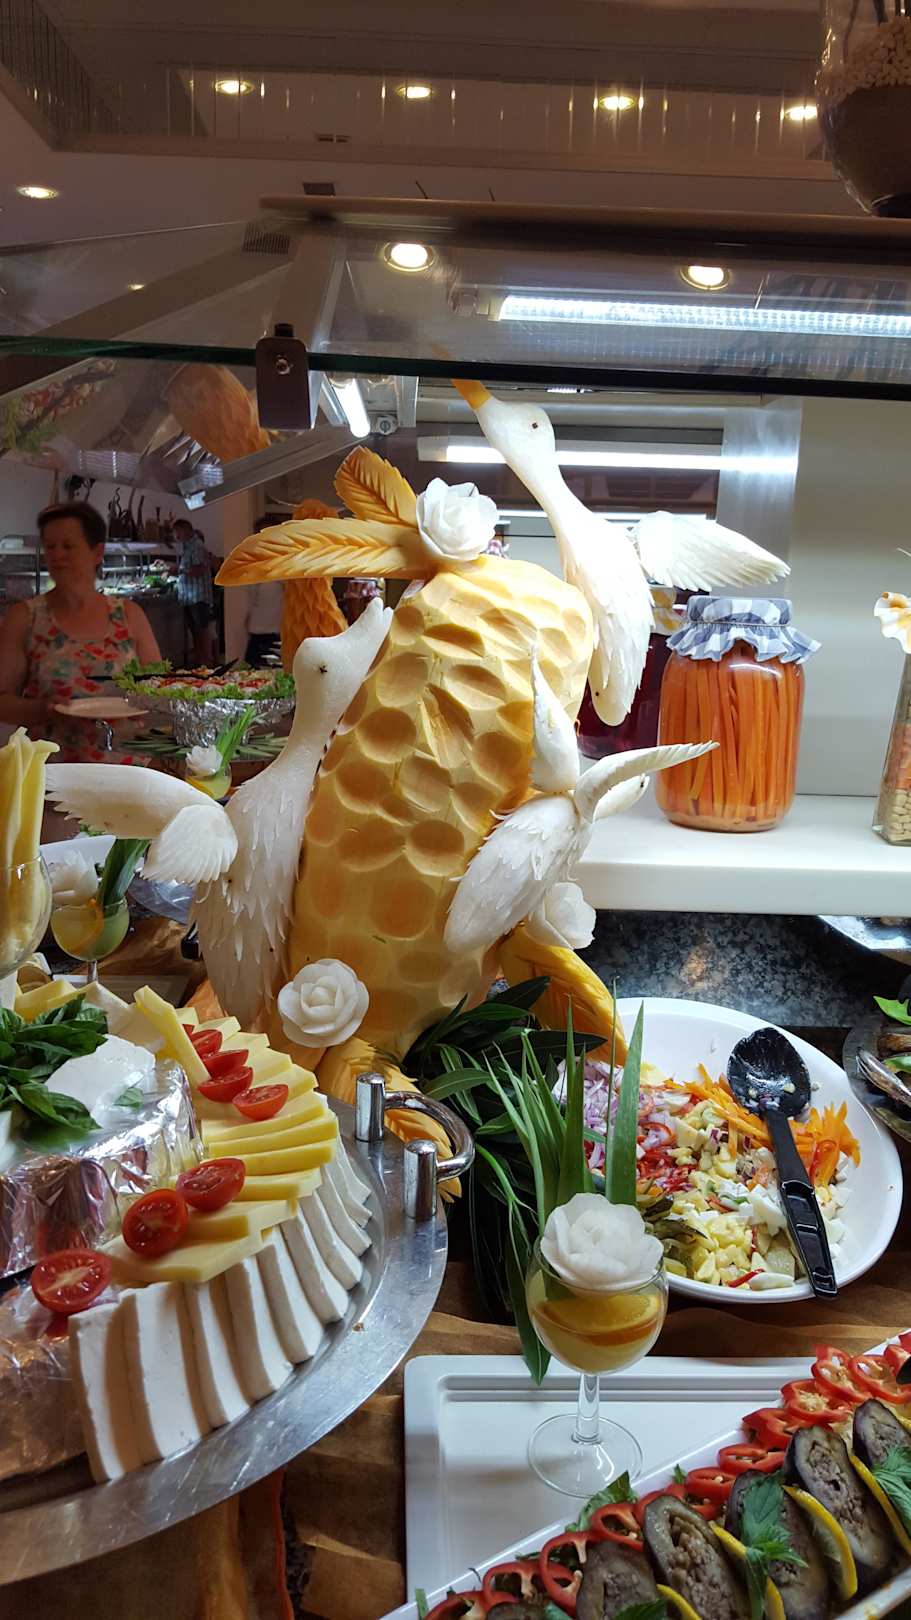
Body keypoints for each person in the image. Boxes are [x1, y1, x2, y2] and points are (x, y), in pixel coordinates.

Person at [0, 500, 161, 761]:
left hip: (126, 769)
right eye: (50, 546)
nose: (57, 555)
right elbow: (2, 702)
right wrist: (42, 709)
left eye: (68, 546)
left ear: (97, 552)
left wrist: (142, 707)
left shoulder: (129, 615)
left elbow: (160, 690)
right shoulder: (25, 618)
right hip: (54, 772)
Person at [173, 517, 217, 666]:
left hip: (198, 597)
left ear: (185, 530)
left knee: (201, 631)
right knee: (195, 632)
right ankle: (201, 663)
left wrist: (179, 570)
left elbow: (199, 569)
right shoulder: (187, 547)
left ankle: (206, 663)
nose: (176, 536)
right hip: (189, 598)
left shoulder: (197, 546)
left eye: (177, 532)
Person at [243, 515, 283, 664]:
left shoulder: (284, 562)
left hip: (276, 632)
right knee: (249, 671)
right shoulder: (255, 562)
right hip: (256, 631)